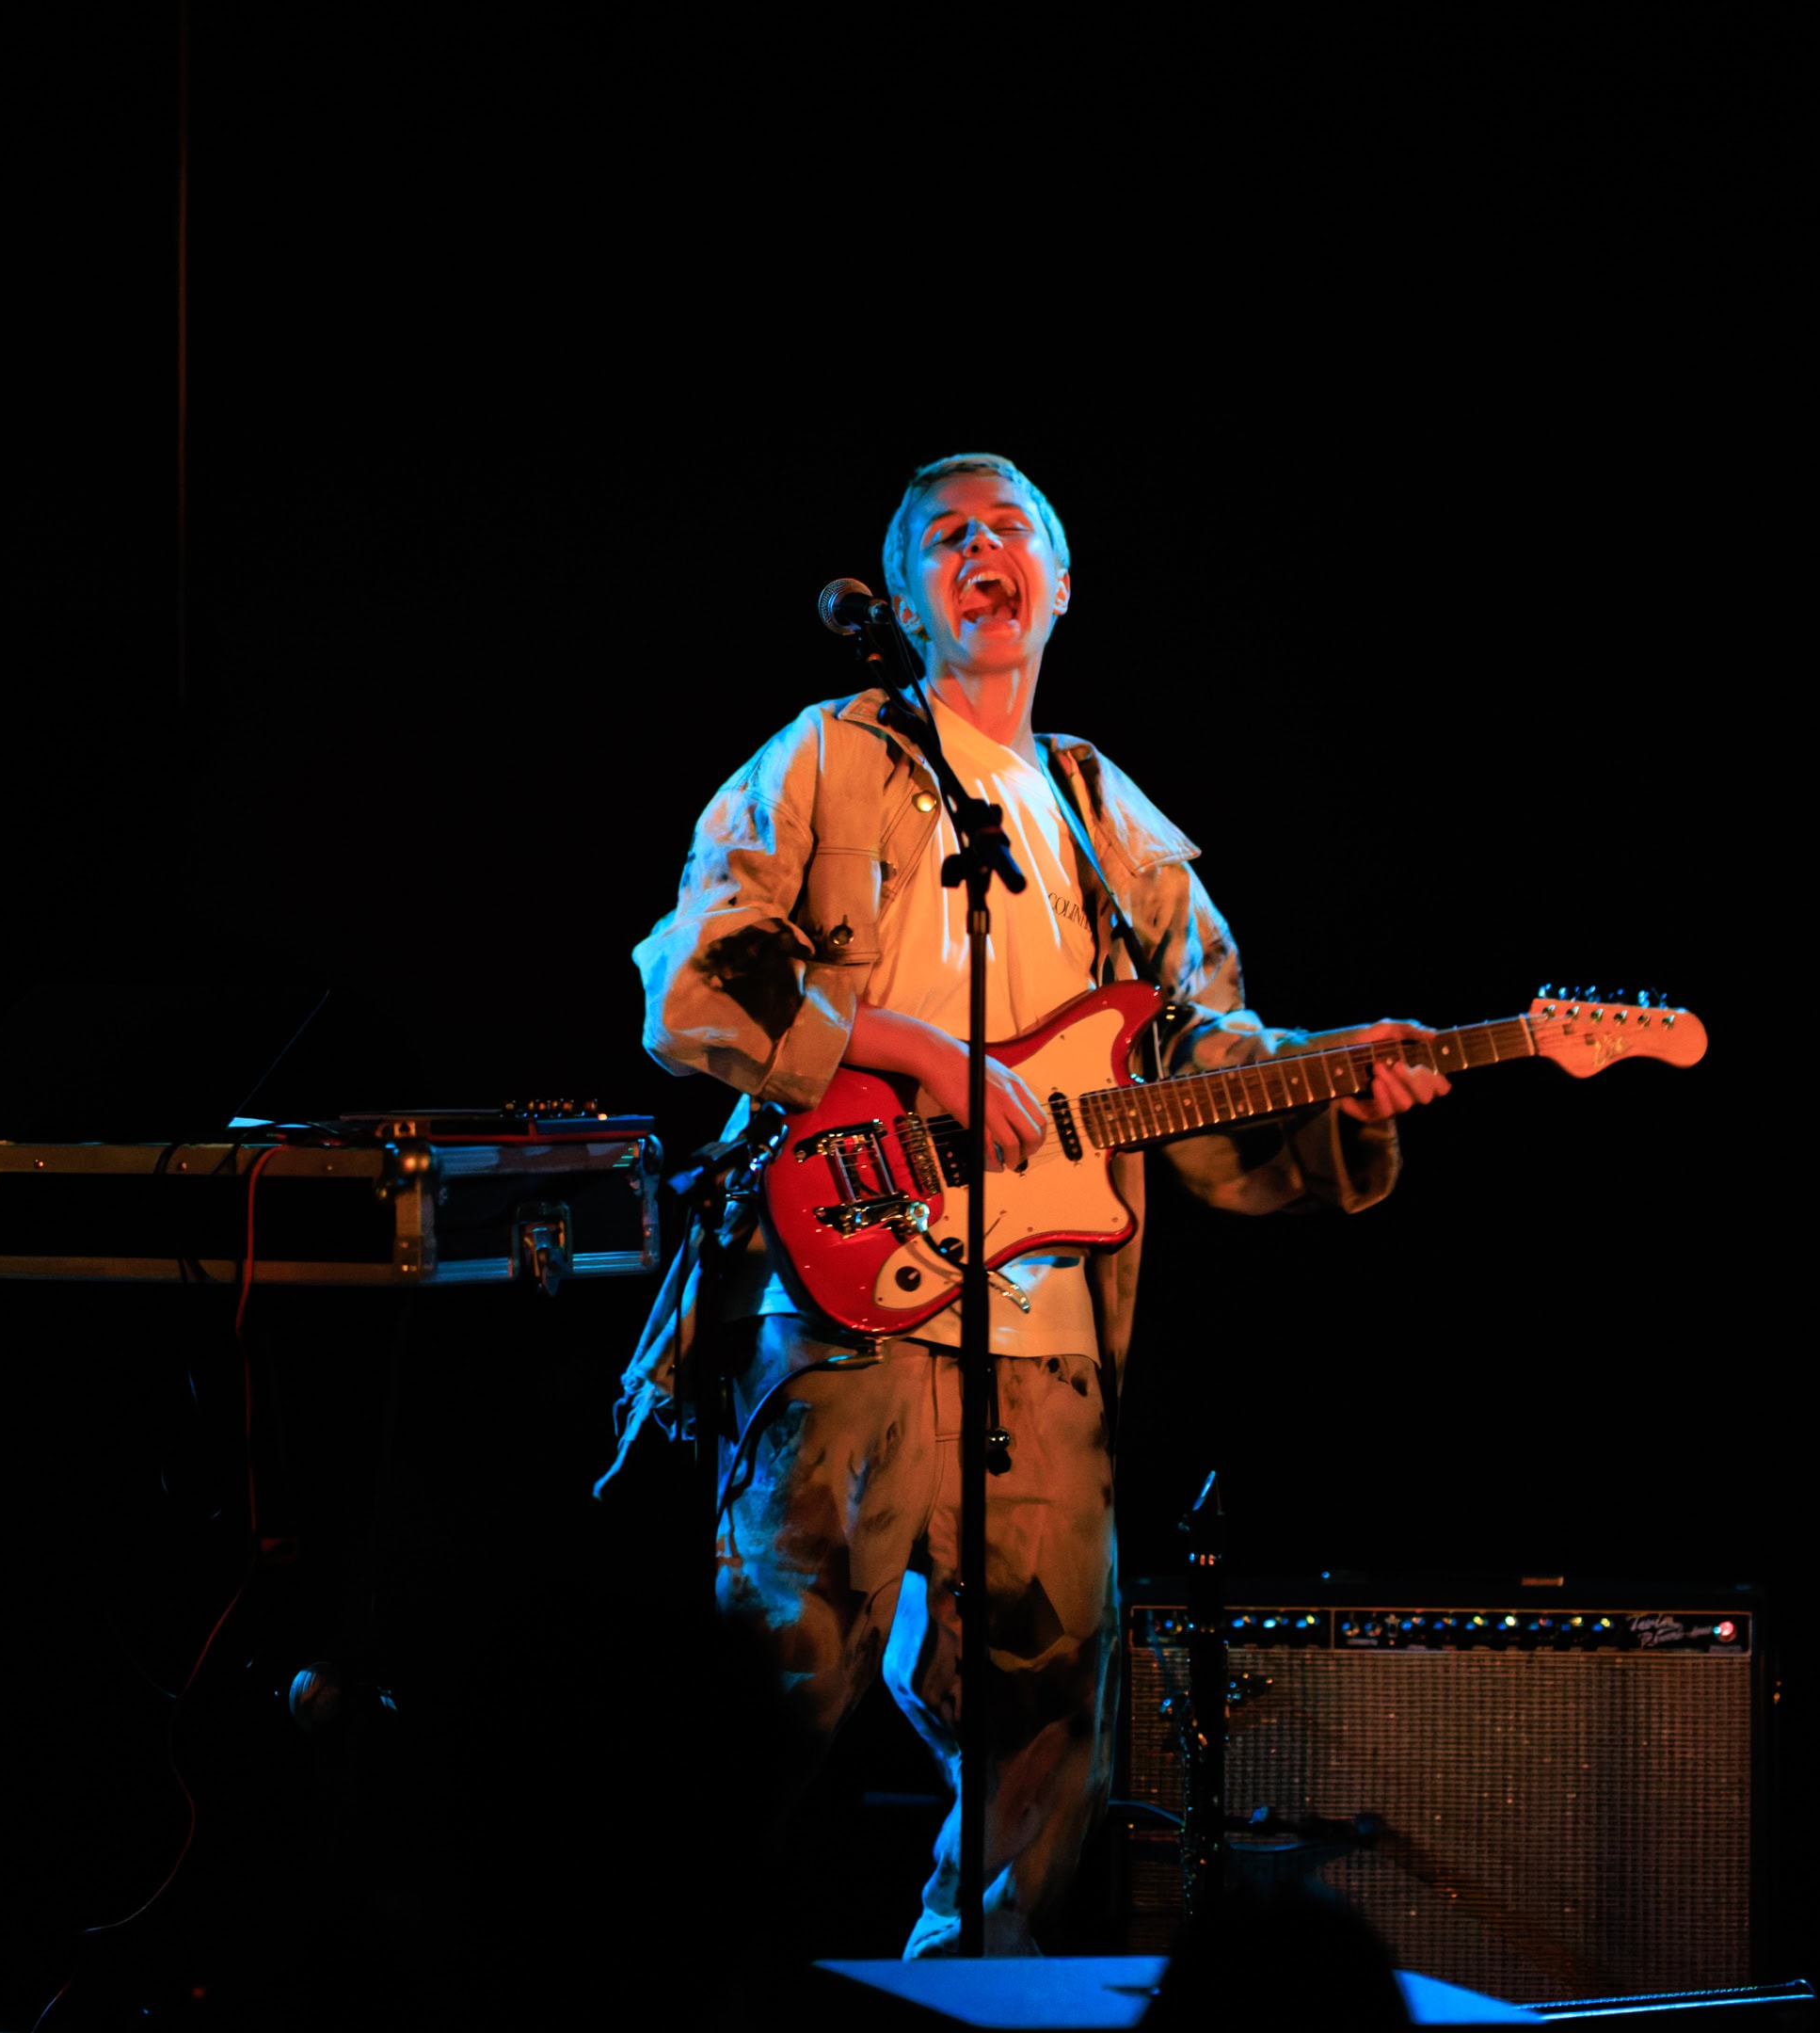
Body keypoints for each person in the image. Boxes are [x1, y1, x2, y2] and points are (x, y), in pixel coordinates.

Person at [611, 452, 1448, 1958]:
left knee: (1053, 1731)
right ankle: (680, 1980)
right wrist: (916, 1050)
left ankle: (968, 2006)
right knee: (775, 1689)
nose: (979, 549)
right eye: (946, 537)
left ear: (1059, 587)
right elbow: (694, 978)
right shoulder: (827, 755)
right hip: (842, 1298)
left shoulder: (1100, 812)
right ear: (906, 598)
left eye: (1011, 531)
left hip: (1047, 1336)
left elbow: (1201, 1054)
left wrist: (1339, 1085)